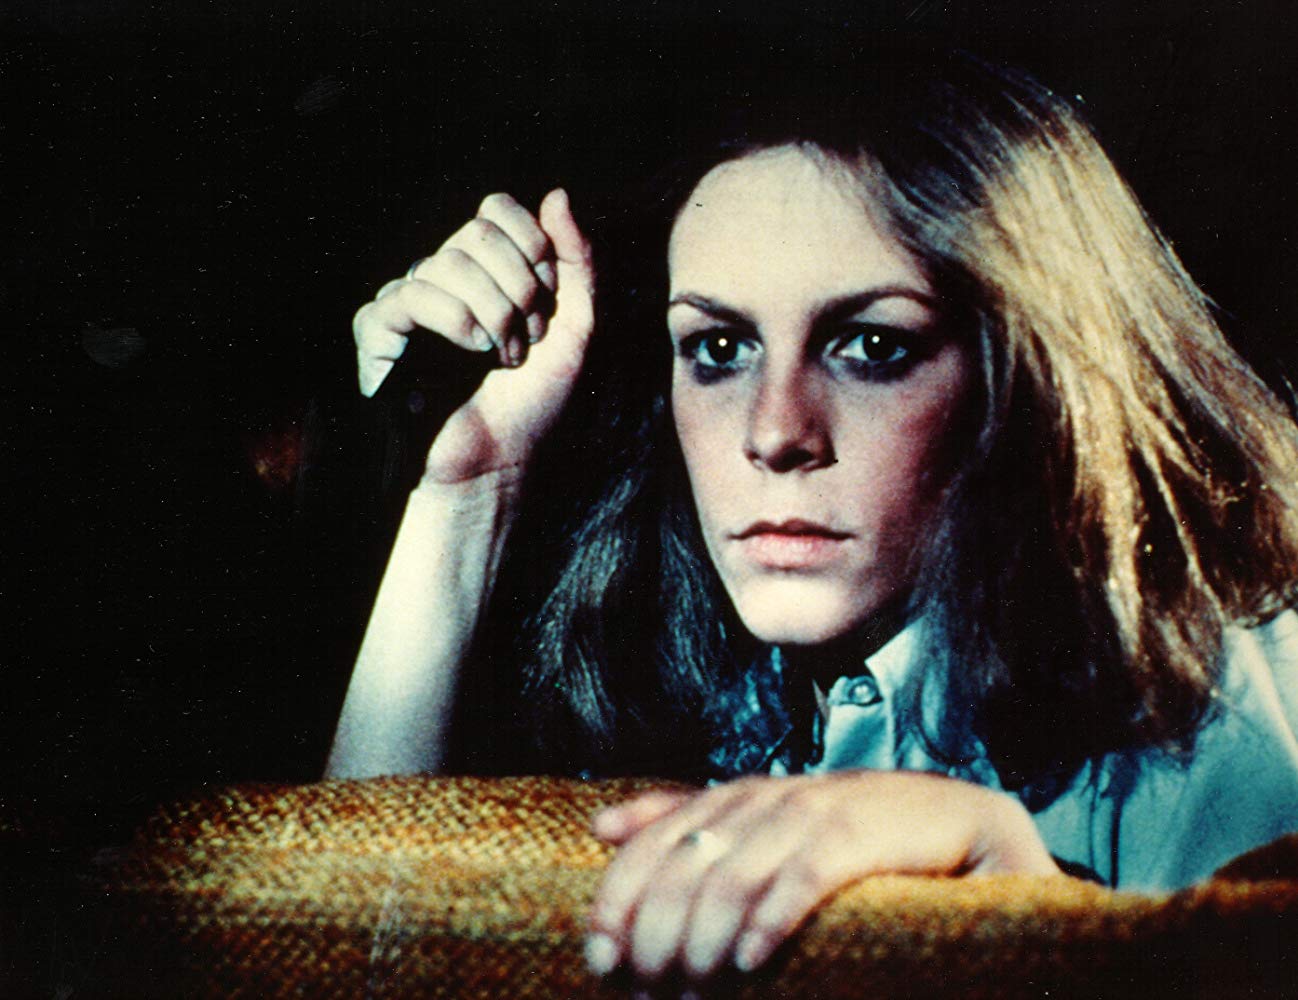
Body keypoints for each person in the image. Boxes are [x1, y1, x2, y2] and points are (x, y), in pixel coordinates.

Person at [325, 50, 1298, 985]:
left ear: (1026, 376)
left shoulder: (1229, 692)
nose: (774, 433)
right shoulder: (692, 661)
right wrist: (467, 492)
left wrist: (1019, 902)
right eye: (718, 348)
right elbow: (340, 945)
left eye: (870, 346)